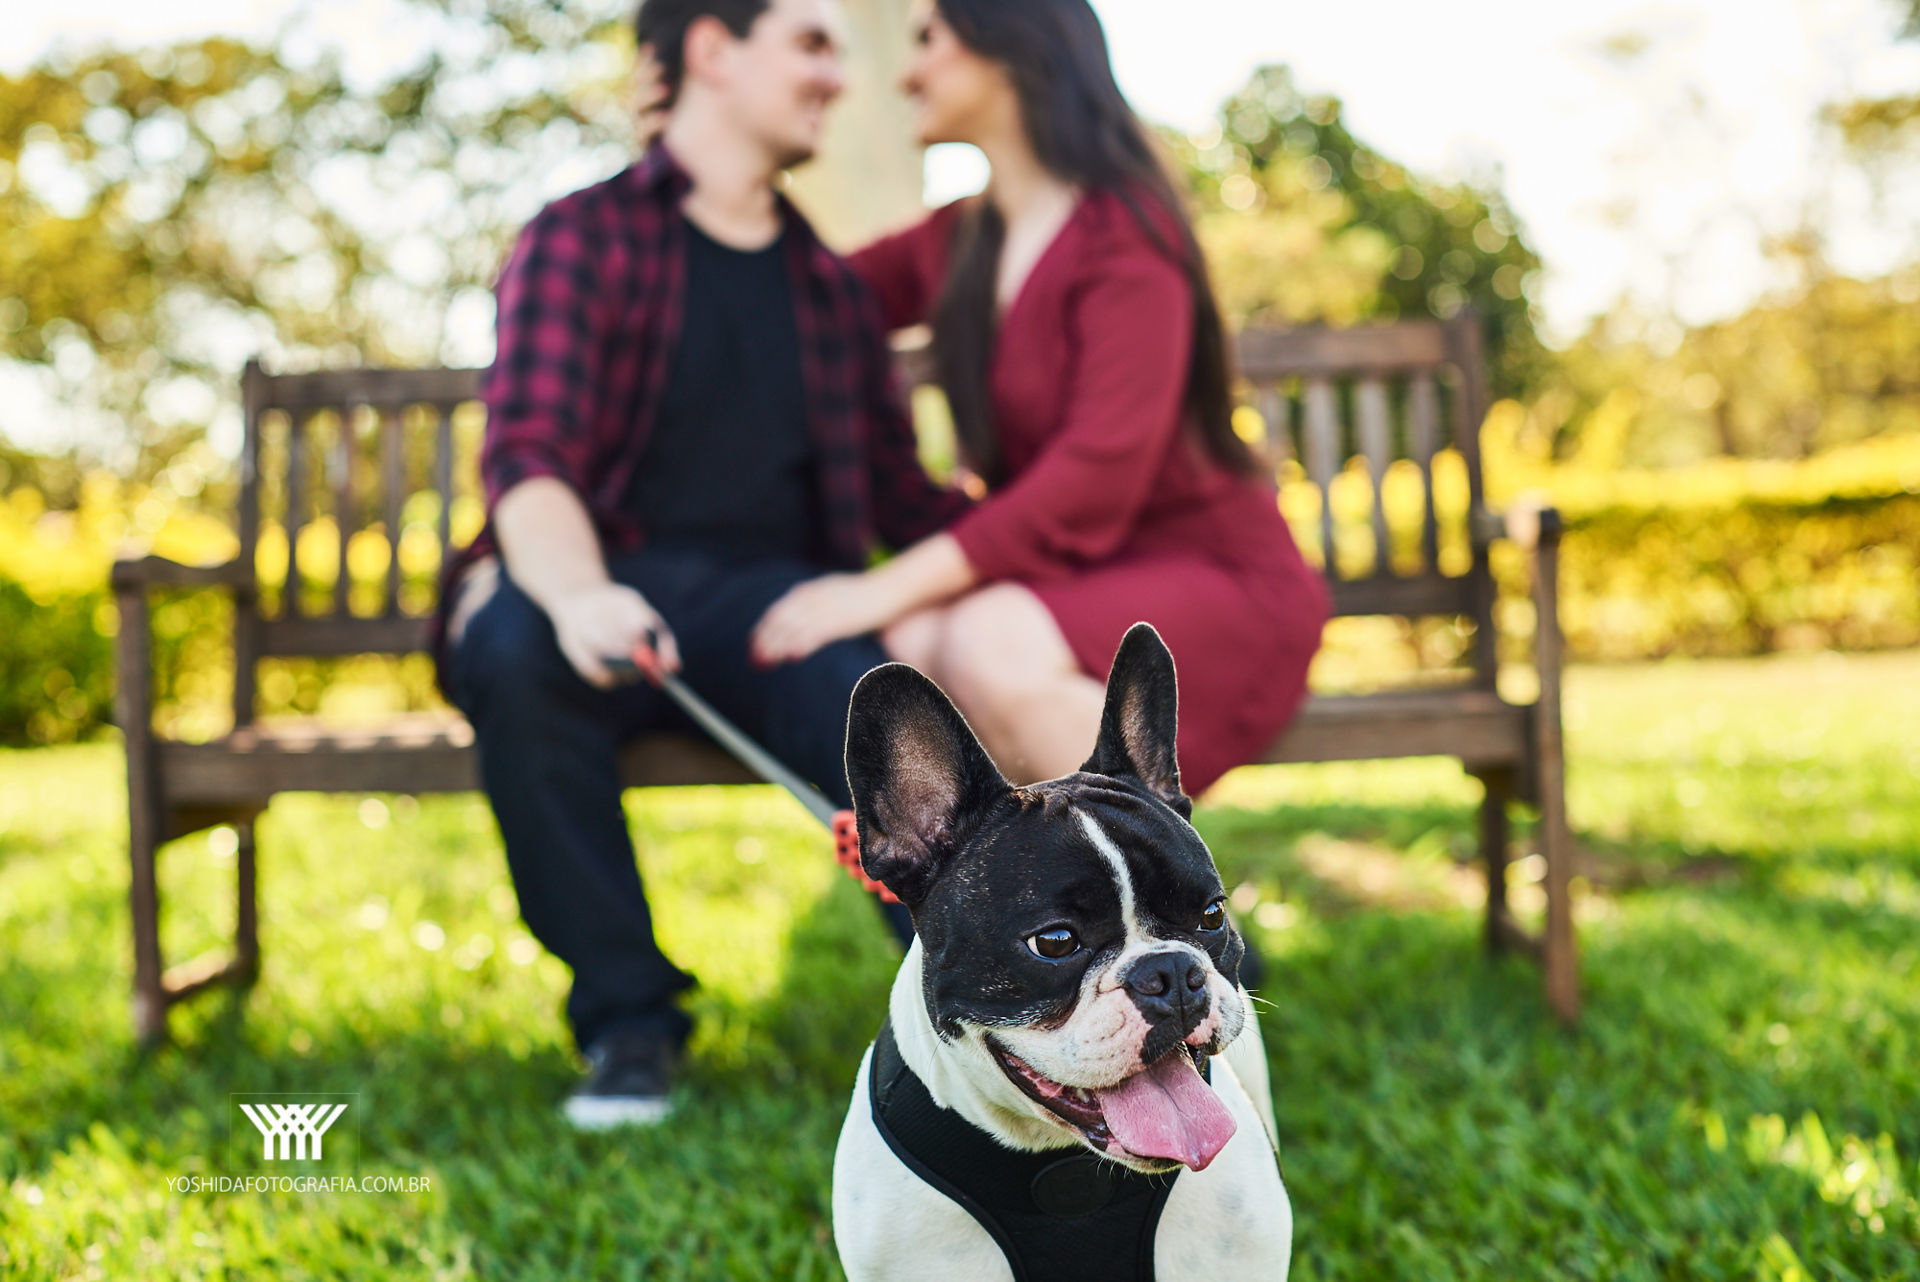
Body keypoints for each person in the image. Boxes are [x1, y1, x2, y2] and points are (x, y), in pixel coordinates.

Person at [435, 0, 969, 1130]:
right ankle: (628, 1021)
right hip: (593, 582)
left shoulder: (828, 291)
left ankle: (982, 994)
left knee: (869, 701)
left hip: (773, 611)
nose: (837, 74)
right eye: (811, 44)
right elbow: (528, 457)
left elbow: (903, 497)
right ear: (715, 50)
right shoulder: (582, 235)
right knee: (515, 648)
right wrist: (580, 593)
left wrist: (1050, 527)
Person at [749, 0, 1328, 795]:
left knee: (984, 639)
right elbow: (806, 298)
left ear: (1007, 47)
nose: (907, 69)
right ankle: (1021, 914)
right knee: (914, 640)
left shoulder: (1125, 234)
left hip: (1210, 574)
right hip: (1067, 580)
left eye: (928, 40)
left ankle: (1157, 910)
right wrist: (666, 200)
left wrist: (876, 585)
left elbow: (1094, 478)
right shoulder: (961, 238)